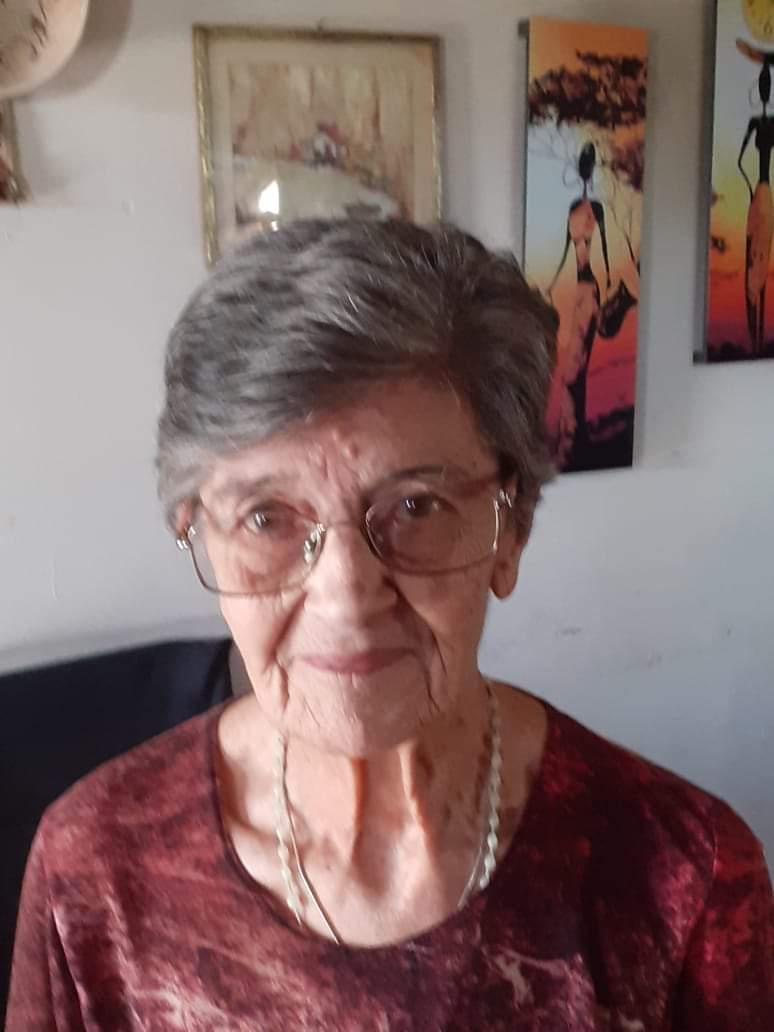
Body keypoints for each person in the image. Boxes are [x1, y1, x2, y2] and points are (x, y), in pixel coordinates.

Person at [6, 220, 772, 1030]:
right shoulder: (93, 870)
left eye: (416, 507)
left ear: (511, 531)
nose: (346, 594)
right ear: (198, 532)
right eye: (266, 518)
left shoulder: (683, 875)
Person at [547, 141, 612, 468]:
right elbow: (565, 251)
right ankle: (572, 433)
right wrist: (550, 284)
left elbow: (605, 254)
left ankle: (574, 434)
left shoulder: (594, 209)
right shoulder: (576, 208)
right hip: (578, 291)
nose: (586, 170)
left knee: (576, 367)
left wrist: (609, 286)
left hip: (589, 291)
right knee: (572, 367)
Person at [737, 46, 774, 355]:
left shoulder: (769, 123)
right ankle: (755, 334)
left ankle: (760, 333)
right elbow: (739, 161)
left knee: (762, 256)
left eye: (767, 84)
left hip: (765, 194)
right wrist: (749, 187)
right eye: (763, 84)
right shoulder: (755, 122)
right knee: (754, 257)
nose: (765, 89)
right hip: (760, 195)